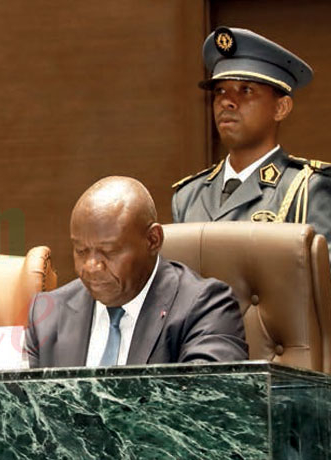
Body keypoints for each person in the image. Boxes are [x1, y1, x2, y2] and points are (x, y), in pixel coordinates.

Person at [26, 177, 247, 368]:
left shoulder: (206, 306)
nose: (91, 266)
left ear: (153, 240)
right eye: (81, 251)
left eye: (108, 251)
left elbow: (209, 403)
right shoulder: (48, 314)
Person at [172, 27, 331, 253]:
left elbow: (322, 283)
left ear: (281, 107)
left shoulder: (307, 188)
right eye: (220, 91)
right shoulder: (188, 195)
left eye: (245, 90)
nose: (227, 102)